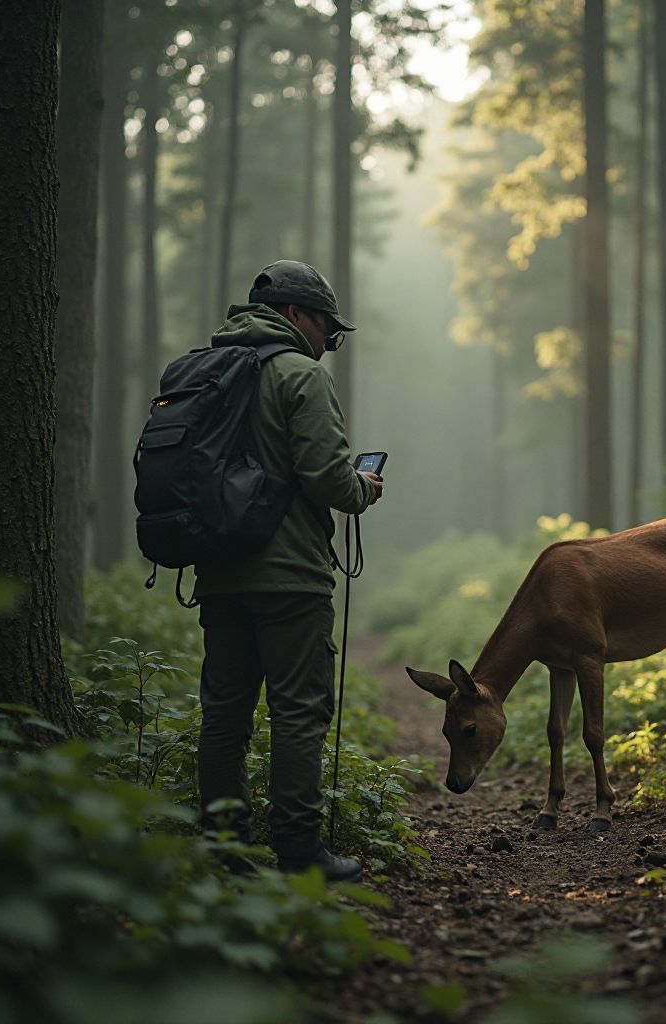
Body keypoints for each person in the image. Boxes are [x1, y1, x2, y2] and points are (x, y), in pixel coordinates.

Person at [193, 260, 383, 881]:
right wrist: (364, 487)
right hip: (290, 578)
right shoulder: (300, 375)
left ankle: (225, 851)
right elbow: (328, 478)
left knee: (224, 715)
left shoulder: (205, 370)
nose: (330, 339)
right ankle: (301, 853)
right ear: (296, 315)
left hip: (219, 572)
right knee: (298, 712)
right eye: (327, 324)